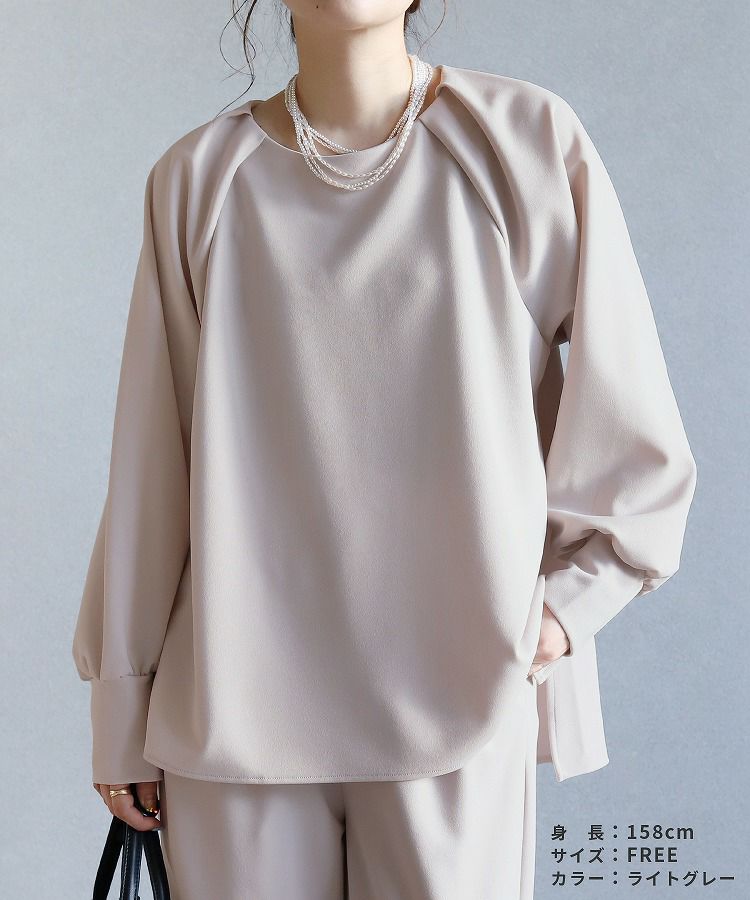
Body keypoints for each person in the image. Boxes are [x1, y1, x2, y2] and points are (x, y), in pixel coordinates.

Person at [71, 2, 697, 897]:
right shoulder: (198, 178)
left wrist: (566, 608)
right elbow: (151, 463)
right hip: (229, 705)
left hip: (458, 695)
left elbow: (634, 424)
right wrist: (122, 699)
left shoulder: (523, 142)